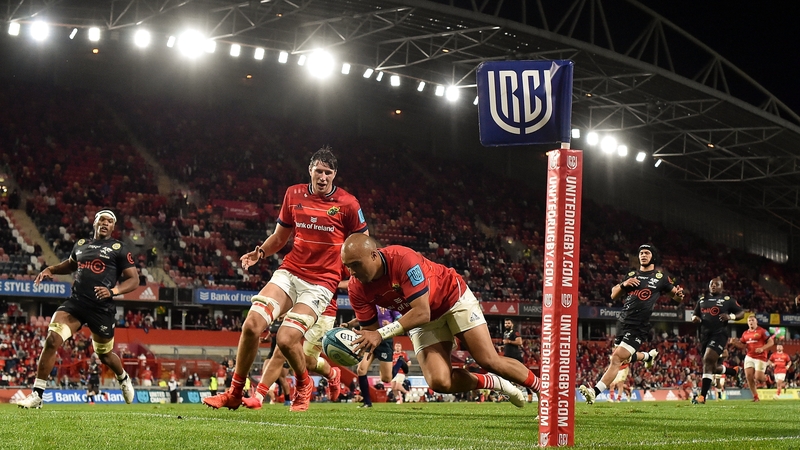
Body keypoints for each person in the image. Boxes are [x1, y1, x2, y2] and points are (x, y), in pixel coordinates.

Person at [203, 148, 368, 412]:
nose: (323, 177)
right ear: (310, 171)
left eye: (328, 172)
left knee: (286, 338)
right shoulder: (293, 194)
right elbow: (280, 237)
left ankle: (304, 385)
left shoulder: (348, 204)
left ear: (334, 174)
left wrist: (356, 273)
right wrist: (260, 253)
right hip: (290, 272)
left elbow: (362, 242)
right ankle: (235, 392)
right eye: (318, 171)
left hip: (322, 282)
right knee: (251, 325)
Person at [342, 235, 538, 408]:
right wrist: (355, 348)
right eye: (347, 266)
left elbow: (422, 312)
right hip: (421, 318)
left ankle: (544, 392)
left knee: (488, 359)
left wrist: (380, 334)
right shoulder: (355, 289)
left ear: (374, 255)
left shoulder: (402, 259)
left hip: (452, 299)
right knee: (439, 382)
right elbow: (370, 332)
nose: (352, 271)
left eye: (356, 264)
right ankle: (494, 383)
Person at [18, 210, 138, 409]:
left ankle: (123, 378)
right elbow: (71, 265)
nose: (106, 223)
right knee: (52, 339)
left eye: (110, 221)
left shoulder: (119, 249)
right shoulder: (81, 245)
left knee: (105, 355)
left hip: (101, 308)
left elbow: (134, 280)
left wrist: (113, 291)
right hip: (76, 303)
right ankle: (37, 395)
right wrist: (52, 269)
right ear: (95, 222)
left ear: (113, 227)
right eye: (102, 219)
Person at [579, 244, 684, 404]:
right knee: (622, 359)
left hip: (639, 324)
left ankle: (594, 392)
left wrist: (679, 295)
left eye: (647, 253)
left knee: (616, 358)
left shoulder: (660, 277)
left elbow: (676, 297)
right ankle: (648, 356)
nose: (643, 255)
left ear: (652, 257)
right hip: (623, 321)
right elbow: (614, 295)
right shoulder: (631, 275)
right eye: (641, 252)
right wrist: (624, 284)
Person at [689, 277, 743, 404]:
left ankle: (702, 397)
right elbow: (695, 315)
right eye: (711, 284)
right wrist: (695, 318)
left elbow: (741, 313)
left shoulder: (727, 300)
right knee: (710, 367)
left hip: (719, 335)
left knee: (707, 360)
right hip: (704, 336)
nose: (713, 286)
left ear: (721, 287)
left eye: (716, 284)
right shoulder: (702, 300)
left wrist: (730, 316)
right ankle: (733, 371)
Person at [341, 305, 400, 408]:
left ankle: (400, 362)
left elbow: (400, 319)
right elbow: (360, 319)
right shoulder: (370, 304)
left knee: (386, 379)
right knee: (361, 370)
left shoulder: (389, 304)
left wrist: (390, 325)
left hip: (384, 340)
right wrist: (348, 324)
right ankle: (367, 402)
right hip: (369, 339)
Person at [731, 314, 774, 402]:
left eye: (752, 320)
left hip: (761, 357)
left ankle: (767, 378)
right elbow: (742, 346)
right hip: (749, 356)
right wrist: (735, 343)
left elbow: (771, 342)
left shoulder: (762, 331)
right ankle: (755, 397)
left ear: (756, 322)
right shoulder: (745, 333)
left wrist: (762, 348)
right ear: (747, 323)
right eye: (749, 321)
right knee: (749, 377)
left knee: (758, 377)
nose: (751, 322)